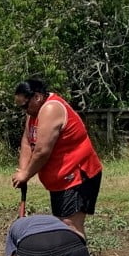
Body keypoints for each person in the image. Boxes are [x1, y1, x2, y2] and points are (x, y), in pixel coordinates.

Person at [12, 79, 104, 235]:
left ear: (37, 97)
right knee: (62, 224)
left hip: (77, 174)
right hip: (60, 179)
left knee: (70, 226)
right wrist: (22, 170)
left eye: (25, 105)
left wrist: (26, 174)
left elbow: (42, 151)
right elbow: (27, 141)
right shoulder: (33, 112)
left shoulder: (50, 109)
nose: (24, 110)